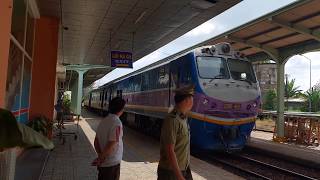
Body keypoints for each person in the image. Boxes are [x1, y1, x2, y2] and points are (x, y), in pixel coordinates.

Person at [158, 85, 194, 180]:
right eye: (191, 99)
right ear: (186, 100)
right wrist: (179, 176)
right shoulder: (172, 120)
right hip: (170, 173)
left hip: (183, 169)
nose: (192, 102)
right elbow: (170, 150)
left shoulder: (183, 118)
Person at [92, 97, 126, 180]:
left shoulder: (103, 121)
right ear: (121, 109)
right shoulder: (117, 123)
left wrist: (100, 155)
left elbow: (96, 141)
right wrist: (101, 158)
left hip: (104, 164)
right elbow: (112, 143)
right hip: (112, 163)